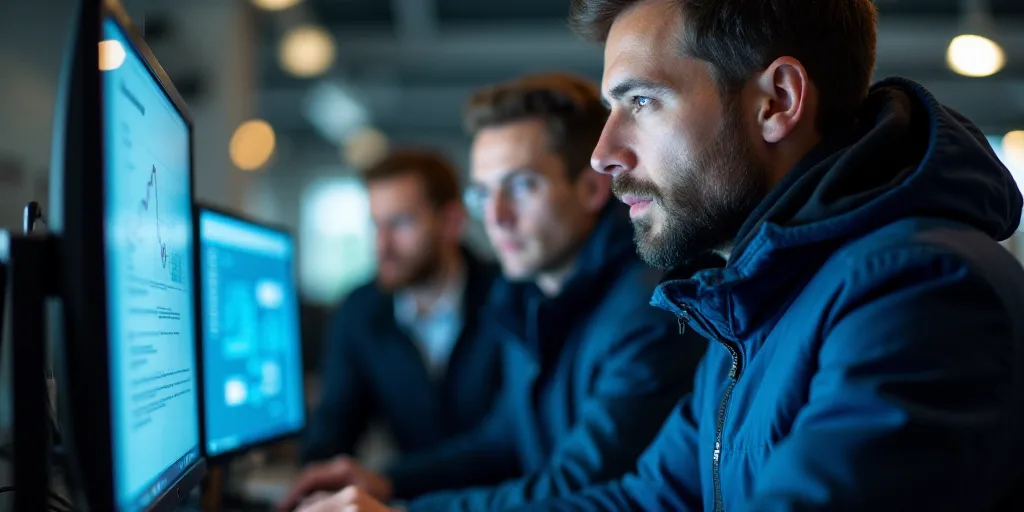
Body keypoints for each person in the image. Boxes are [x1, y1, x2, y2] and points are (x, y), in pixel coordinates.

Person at [513, 0, 1022, 509]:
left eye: (642, 101)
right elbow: (652, 499)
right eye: (612, 110)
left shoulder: (916, 289)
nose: (603, 154)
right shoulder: (751, 302)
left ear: (778, 101)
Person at [279, 73, 708, 512]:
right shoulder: (529, 298)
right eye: (483, 193)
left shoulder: (651, 306)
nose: (496, 217)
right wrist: (384, 483)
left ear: (592, 188)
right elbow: (503, 441)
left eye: (522, 186)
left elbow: (580, 482)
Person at [300, 149, 504, 469]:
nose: (382, 245)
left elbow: (510, 442)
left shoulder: (509, 297)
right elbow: (335, 424)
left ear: (452, 221)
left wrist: (388, 481)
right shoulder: (359, 311)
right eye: (376, 225)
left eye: (400, 223)